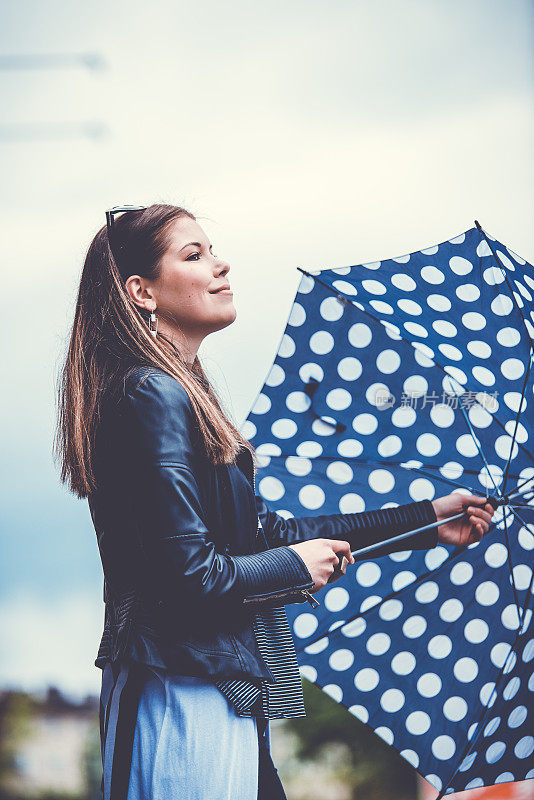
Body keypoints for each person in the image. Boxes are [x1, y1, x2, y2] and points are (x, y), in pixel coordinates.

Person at [54, 203, 495, 800]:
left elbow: (265, 536)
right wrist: (293, 570)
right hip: (180, 689)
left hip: (213, 684)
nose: (220, 263)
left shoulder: (179, 396)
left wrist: (425, 520)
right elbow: (187, 575)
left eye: (211, 250)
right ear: (142, 292)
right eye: (194, 255)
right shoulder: (151, 394)